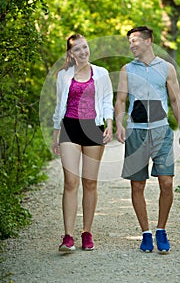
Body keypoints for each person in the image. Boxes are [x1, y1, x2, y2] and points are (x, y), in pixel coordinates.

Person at [115, 26, 180, 254]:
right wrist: (119, 123)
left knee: (166, 183)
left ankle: (161, 230)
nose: (131, 44)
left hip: (162, 132)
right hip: (136, 132)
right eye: (129, 41)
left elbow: (176, 102)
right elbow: (120, 100)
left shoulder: (166, 68)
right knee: (137, 184)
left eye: (135, 40)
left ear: (149, 41)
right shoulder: (127, 69)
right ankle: (146, 234)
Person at [52, 34, 113, 252]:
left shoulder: (102, 73)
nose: (83, 52)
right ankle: (68, 236)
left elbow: (107, 100)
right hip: (70, 127)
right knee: (70, 182)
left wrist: (109, 123)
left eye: (85, 47)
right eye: (77, 49)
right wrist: (55, 133)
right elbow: (60, 105)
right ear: (70, 53)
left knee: (90, 182)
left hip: (94, 129)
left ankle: (87, 232)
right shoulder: (63, 76)